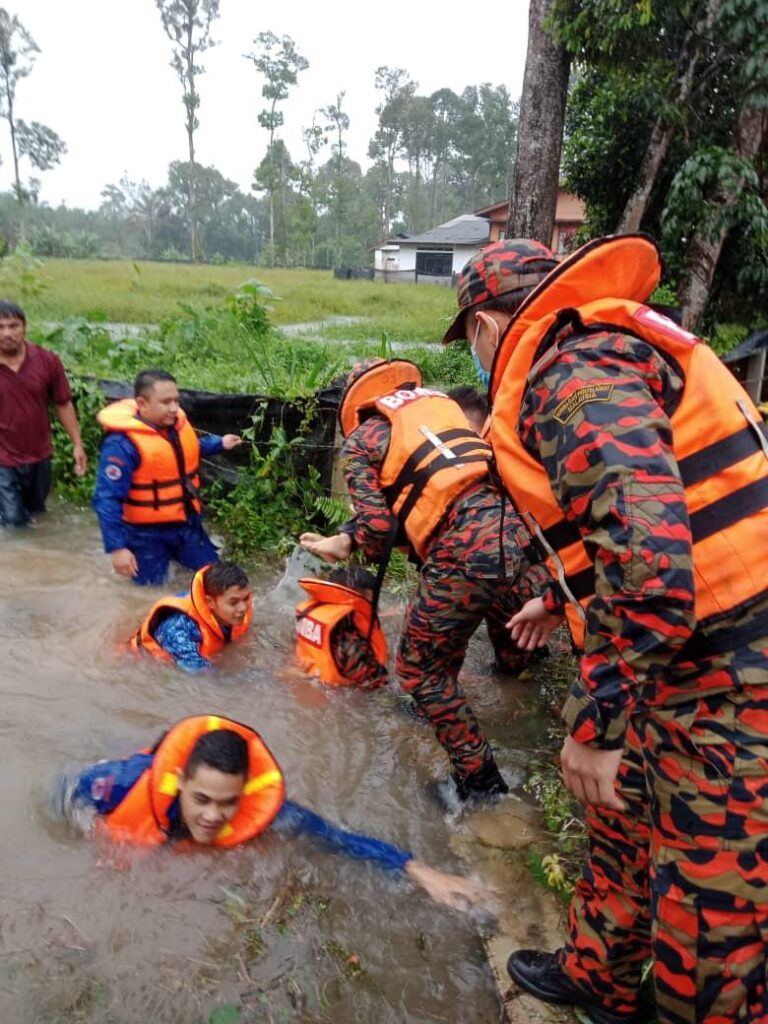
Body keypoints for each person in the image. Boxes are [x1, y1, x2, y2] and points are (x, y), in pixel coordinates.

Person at [445, 234, 768, 1024]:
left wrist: (598, 718)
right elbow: (645, 513)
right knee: (620, 815)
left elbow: (652, 567)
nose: (477, 355)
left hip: (732, 668)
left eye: (472, 338)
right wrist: (557, 601)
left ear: (488, 324)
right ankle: (602, 976)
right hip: (679, 649)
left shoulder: (575, 368)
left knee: (712, 912)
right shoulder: (605, 348)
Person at [300, 358, 545, 803]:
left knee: (419, 671)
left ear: (356, 405)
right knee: (513, 626)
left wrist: (353, 543)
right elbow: (431, 482)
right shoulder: (445, 405)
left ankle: (481, 784)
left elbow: (379, 528)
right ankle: (522, 686)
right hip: (520, 531)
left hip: (463, 551)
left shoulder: (361, 441)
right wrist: (348, 535)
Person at [53, 714, 490, 912]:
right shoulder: (123, 782)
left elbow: (338, 839)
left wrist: (422, 872)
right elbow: (59, 795)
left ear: (244, 793)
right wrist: (96, 832)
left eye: (228, 802)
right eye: (201, 800)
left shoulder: (268, 812)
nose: (213, 816)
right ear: (181, 782)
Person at [93, 369, 242, 585]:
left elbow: (182, 452)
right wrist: (118, 548)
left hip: (185, 523)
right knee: (148, 595)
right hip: (145, 536)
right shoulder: (121, 445)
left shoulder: (173, 426)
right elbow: (107, 499)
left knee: (216, 582)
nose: (174, 408)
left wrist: (218, 443)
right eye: (165, 402)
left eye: (176, 401)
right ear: (142, 403)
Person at [0, 299, 87, 526]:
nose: (7, 333)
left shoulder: (47, 360)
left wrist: (77, 444)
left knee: (38, 515)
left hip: (40, 455)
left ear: (25, 327)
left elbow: (63, 403)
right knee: (13, 522)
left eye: (13, 326)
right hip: (3, 460)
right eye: (0, 327)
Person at [130, 561, 252, 672]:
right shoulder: (178, 631)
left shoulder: (233, 607)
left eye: (246, 598)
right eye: (233, 602)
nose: (243, 608)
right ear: (210, 602)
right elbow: (203, 675)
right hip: (142, 664)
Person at [295, 566, 389, 689]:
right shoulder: (351, 641)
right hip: (334, 695)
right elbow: (375, 683)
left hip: (311, 680)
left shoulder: (312, 614)